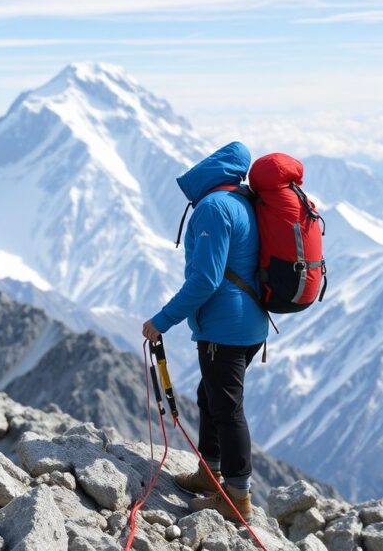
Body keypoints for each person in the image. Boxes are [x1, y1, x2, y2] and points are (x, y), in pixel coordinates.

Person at [142, 141, 268, 521]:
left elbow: (205, 280)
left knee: (228, 409)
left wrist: (161, 320)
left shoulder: (213, 208)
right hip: (250, 322)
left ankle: (237, 499)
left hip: (224, 328)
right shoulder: (243, 201)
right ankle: (209, 472)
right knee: (210, 395)